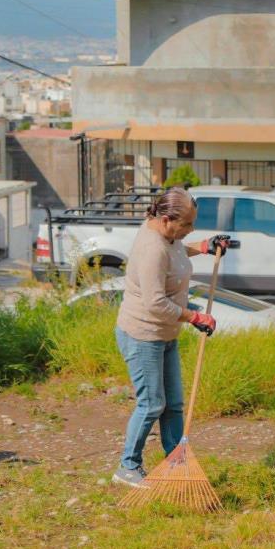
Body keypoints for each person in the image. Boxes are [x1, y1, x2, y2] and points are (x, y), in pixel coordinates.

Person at [112, 187, 230, 488]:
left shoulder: (168, 236)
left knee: (174, 403)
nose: (190, 229)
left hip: (164, 333)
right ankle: (128, 466)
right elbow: (155, 303)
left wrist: (203, 246)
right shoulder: (152, 248)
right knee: (152, 404)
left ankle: (176, 461)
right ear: (166, 220)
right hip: (143, 334)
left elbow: (175, 252)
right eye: (187, 225)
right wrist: (195, 317)